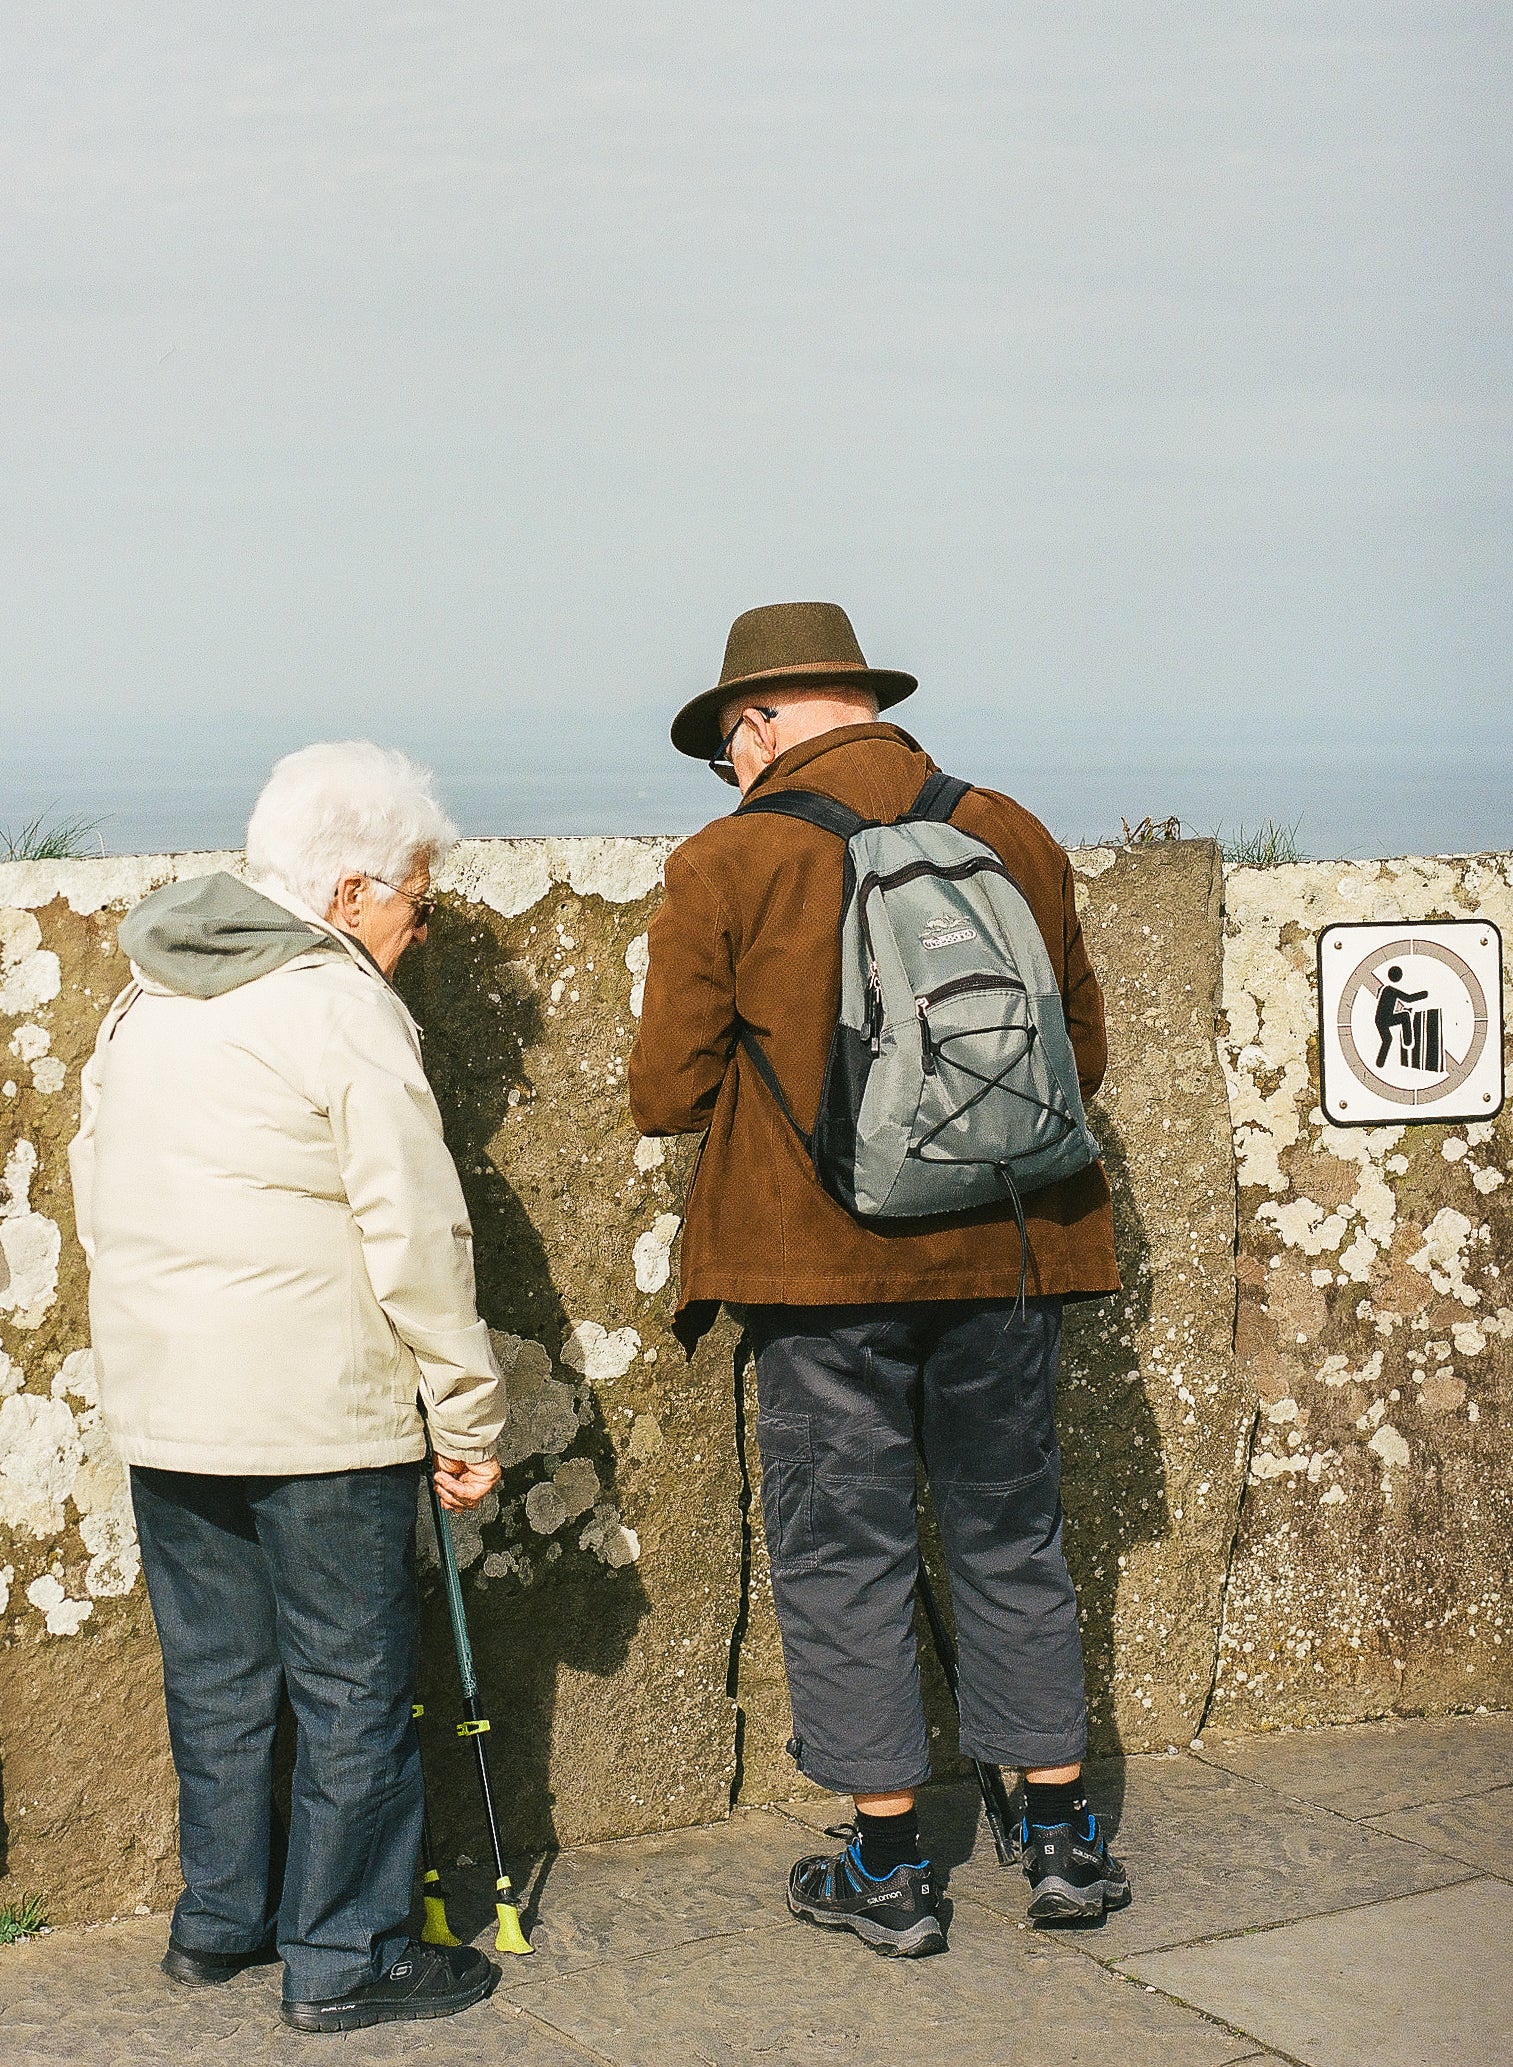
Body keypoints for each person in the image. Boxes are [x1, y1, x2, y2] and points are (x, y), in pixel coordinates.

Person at [628, 602, 1130, 1954]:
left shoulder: (728, 860)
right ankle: (1061, 1835)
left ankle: (893, 1865)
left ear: (754, 727)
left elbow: (662, 1092)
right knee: (1010, 1531)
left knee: (841, 1550)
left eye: (724, 746)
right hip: (1015, 1243)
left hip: (820, 1271)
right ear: (864, 701)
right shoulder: (1011, 831)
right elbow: (1080, 1052)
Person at [69, 742, 507, 2033]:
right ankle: (346, 1954)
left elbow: (96, 1192)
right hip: (318, 1412)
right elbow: (417, 1232)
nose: (418, 933)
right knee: (351, 1685)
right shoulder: (337, 1002)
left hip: (171, 1404)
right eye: (419, 904)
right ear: (356, 888)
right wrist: (466, 1415)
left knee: (215, 1677)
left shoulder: (144, 997)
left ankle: (219, 1921)